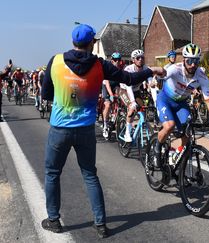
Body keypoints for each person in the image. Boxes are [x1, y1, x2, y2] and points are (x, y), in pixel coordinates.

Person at [40, 24, 165, 238]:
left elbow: (46, 94)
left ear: (72, 42)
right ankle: (100, 225)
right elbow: (130, 79)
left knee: (53, 174)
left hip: (60, 128)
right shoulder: (100, 64)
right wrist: (150, 70)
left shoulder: (56, 61)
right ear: (92, 43)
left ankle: (54, 220)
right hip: (86, 130)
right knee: (90, 175)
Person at [153, 43, 209, 167]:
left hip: (181, 103)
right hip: (165, 100)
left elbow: (208, 100)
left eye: (196, 61)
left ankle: (178, 154)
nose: (193, 64)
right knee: (169, 126)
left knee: (188, 131)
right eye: (189, 61)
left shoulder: (201, 75)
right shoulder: (174, 69)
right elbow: (159, 76)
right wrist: (154, 80)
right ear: (184, 60)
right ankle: (157, 147)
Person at [119, 49, 150, 142]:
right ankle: (127, 133)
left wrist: (156, 101)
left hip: (136, 91)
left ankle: (140, 128)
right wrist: (132, 102)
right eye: (138, 58)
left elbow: (151, 84)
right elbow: (128, 88)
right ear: (133, 60)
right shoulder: (129, 69)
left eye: (142, 58)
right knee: (132, 108)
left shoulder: (145, 68)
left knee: (144, 108)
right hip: (125, 90)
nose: (140, 59)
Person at [101, 52, 122, 138]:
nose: (117, 61)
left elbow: (119, 84)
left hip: (115, 86)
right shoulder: (108, 68)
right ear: (112, 61)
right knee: (108, 104)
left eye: (119, 60)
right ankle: (105, 125)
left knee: (119, 102)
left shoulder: (120, 69)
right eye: (115, 60)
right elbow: (107, 84)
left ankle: (114, 117)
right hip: (106, 86)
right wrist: (111, 95)